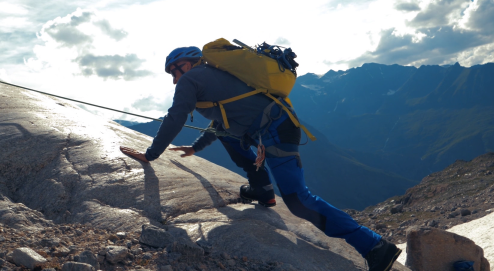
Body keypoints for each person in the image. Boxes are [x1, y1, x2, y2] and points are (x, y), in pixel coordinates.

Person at [120, 46, 401, 271]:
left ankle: (376, 246)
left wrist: (150, 154)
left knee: (297, 199)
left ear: (188, 63)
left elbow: (175, 117)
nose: (174, 78)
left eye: (174, 70)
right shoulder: (213, 75)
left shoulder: (193, 79)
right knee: (231, 137)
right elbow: (222, 122)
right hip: (275, 124)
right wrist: (196, 148)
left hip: (274, 131)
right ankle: (262, 190)